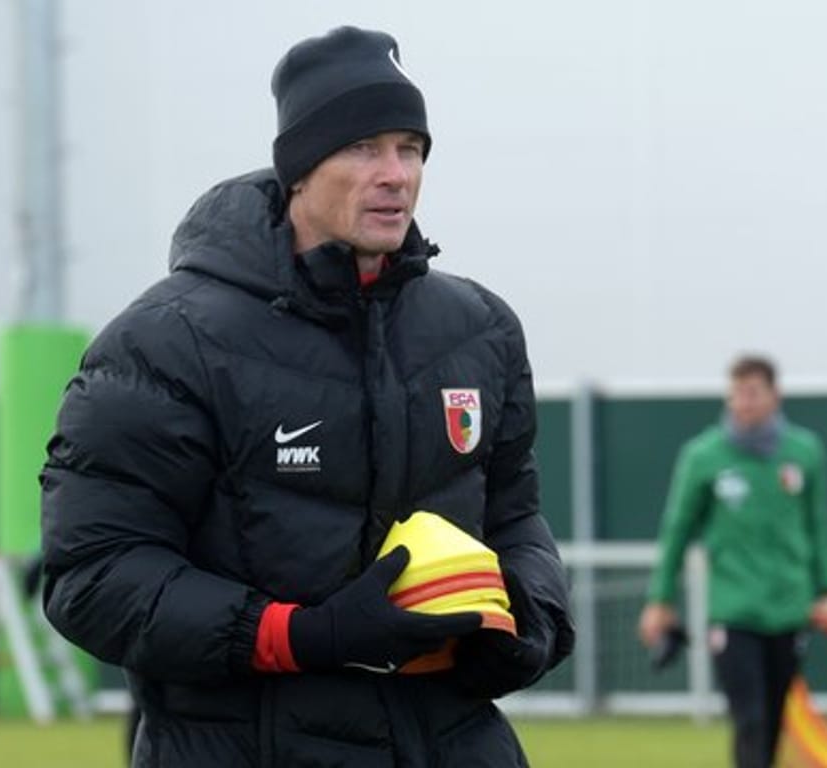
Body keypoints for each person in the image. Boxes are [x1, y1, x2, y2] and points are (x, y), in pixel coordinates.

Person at [39, 26, 573, 767]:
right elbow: (94, 575)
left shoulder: (479, 330)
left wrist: (528, 624)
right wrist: (302, 635)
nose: (395, 174)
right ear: (298, 171)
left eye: (410, 148)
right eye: (363, 147)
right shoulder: (164, 343)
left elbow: (516, 518)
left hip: (454, 742)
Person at [638, 355, 827, 768]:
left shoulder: (804, 452)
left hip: (790, 607)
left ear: (775, 395)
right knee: (749, 718)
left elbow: (818, 526)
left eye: (753, 393)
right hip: (733, 610)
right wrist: (660, 599)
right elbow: (676, 530)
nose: (743, 403)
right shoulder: (703, 455)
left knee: (772, 722)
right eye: (736, 394)